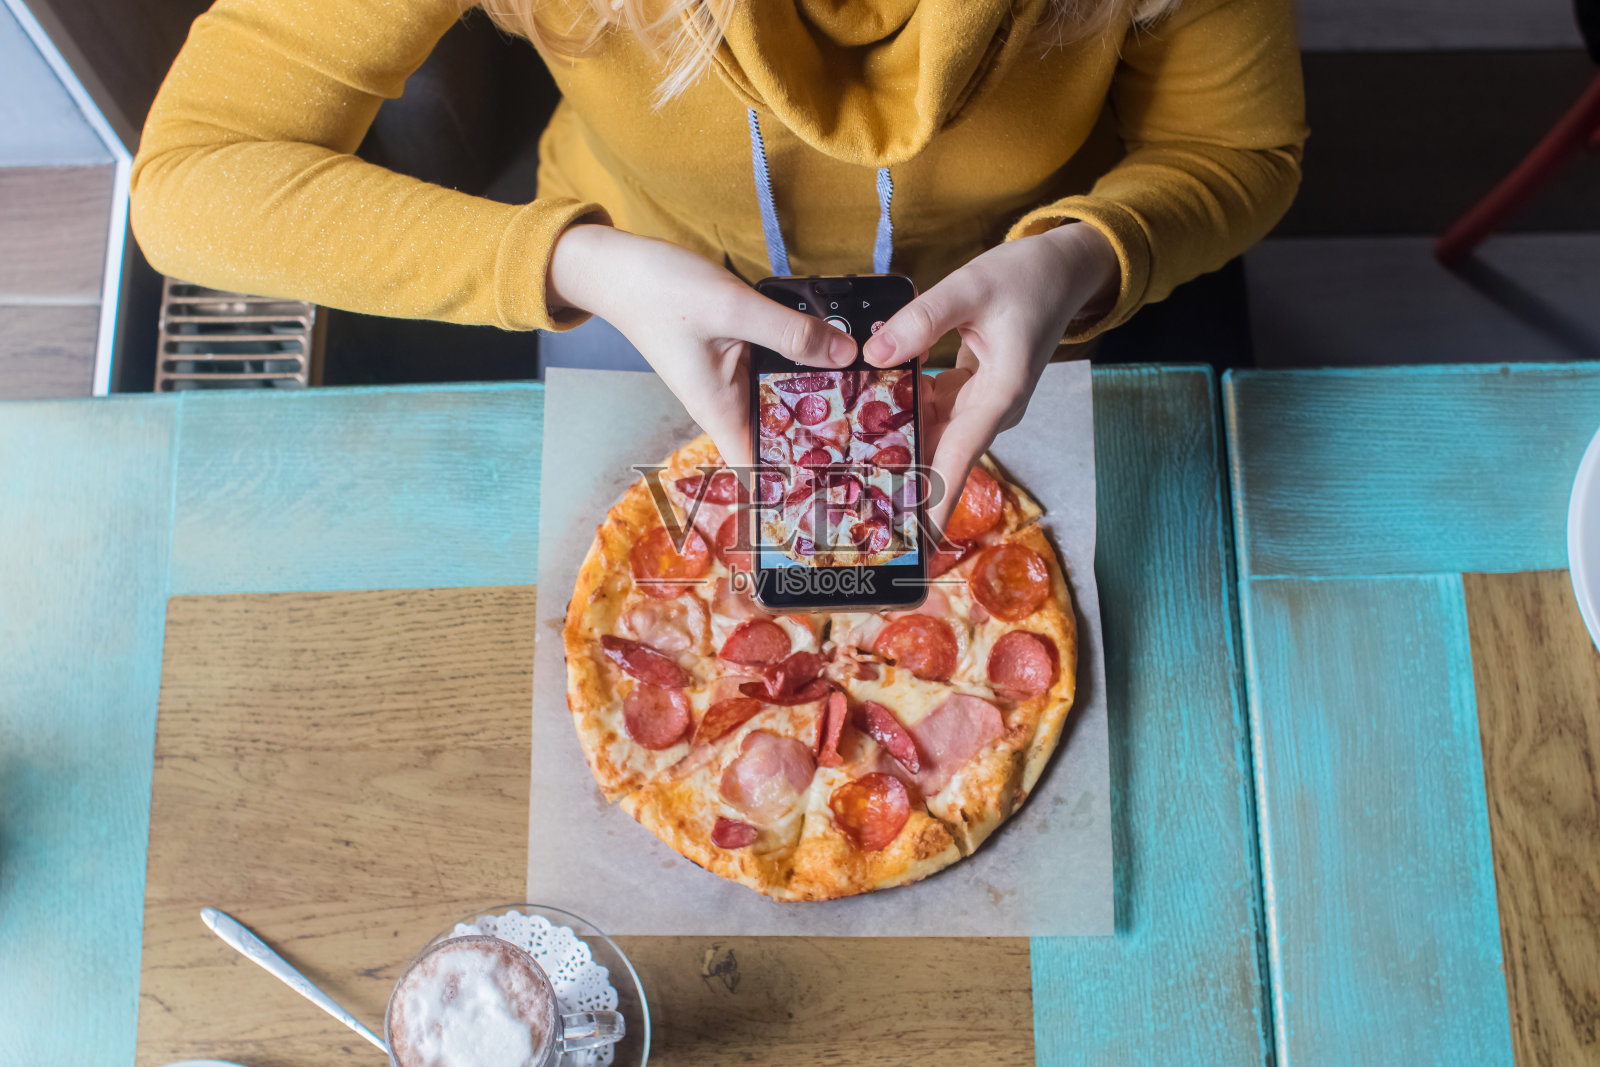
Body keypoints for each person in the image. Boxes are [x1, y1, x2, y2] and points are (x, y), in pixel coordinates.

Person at [130, 0, 1305, 528]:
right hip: (636, 282)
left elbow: (1234, 149)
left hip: (1036, 310)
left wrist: (1091, 253)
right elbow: (190, 185)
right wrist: (574, 264)